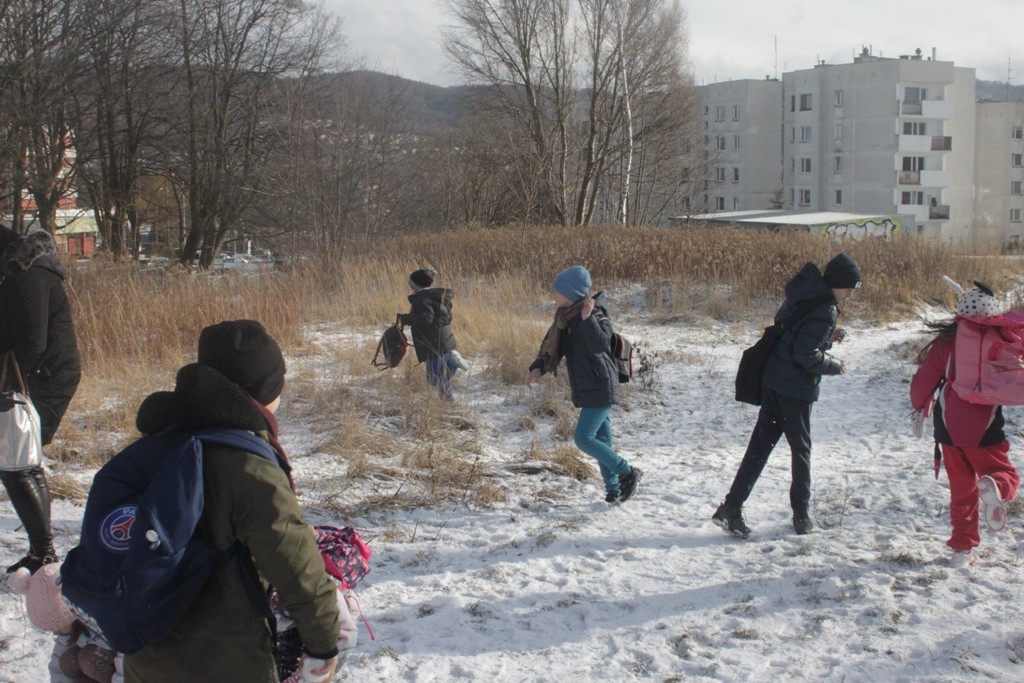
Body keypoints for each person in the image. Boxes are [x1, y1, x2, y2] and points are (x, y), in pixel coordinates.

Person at [123, 320, 340, 682]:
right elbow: (295, 564)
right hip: (224, 660)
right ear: (265, 390)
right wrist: (323, 643)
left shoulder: (153, 444)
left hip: (144, 652)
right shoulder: (248, 466)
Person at [713, 253, 862, 537]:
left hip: (774, 382)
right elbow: (805, 354)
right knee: (801, 451)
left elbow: (793, 336)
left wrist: (826, 341)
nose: (851, 295)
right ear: (838, 283)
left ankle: (731, 508)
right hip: (794, 391)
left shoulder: (805, 295)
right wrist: (834, 365)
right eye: (850, 288)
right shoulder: (825, 309)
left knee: (759, 448)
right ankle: (802, 517)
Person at [910, 281, 1020, 568]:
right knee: (1005, 473)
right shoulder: (1000, 340)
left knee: (962, 492)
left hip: (948, 429)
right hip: (985, 429)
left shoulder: (947, 342)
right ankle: (995, 485)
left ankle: (961, 549)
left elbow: (922, 383)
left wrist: (918, 405)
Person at [0, 227, 81, 574]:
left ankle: (44, 554)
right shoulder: (15, 271)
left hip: (41, 380)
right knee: (16, 464)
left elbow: (32, 344)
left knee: (19, 466)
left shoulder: (27, 275)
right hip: (29, 378)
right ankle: (41, 552)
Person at [527, 265, 642, 504]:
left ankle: (628, 472)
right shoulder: (564, 317)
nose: (553, 295)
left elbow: (600, 344)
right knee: (603, 442)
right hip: (588, 386)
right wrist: (538, 367)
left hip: (601, 386)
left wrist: (587, 318)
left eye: (557, 291)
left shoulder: (596, 313)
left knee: (584, 439)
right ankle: (613, 488)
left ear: (572, 293)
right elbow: (551, 347)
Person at [398, 267, 467, 399]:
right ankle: (447, 400)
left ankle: (453, 364)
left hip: (433, 344)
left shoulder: (422, 299)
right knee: (441, 377)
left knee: (433, 378)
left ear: (415, 285)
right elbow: (444, 318)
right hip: (445, 340)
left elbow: (426, 319)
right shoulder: (437, 297)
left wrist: (407, 319)